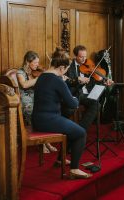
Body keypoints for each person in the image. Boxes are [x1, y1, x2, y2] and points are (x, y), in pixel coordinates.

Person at [32, 47, 92, 179]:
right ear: (61, 68)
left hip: (37, 119)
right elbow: (73, 104)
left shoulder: (41, 77)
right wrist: (75, 98)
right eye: (66, 69)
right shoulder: (57, 80)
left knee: (71, 127)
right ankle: (75, 169)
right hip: (48, 120)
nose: (66, 72)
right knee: (81, 132)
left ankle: (61, 159)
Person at [64, 45, 113, 131]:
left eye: (85, 56)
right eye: (81, 57)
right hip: (75, 94)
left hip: (87, 93)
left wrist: (104, 81)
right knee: (68, 110)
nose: (84, 59)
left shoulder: (88, 65)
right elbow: (67, 81)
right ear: (75, 56)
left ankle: (80, 129)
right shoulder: (69, 66)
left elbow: (94, 79)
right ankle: (78, 130)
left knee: (97, 104)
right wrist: (78, 80)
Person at [17, 51, 57, 153]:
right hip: (25, 102)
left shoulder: (35, 72)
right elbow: (24, 85)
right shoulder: (20, 72)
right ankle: (45, 144)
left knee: (46, 111)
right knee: (34, 112)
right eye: (34, 62)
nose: (37, 65)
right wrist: (39, 78)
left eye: (37, 62)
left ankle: (45, 140)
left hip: (36, 99)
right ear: (27, 62)